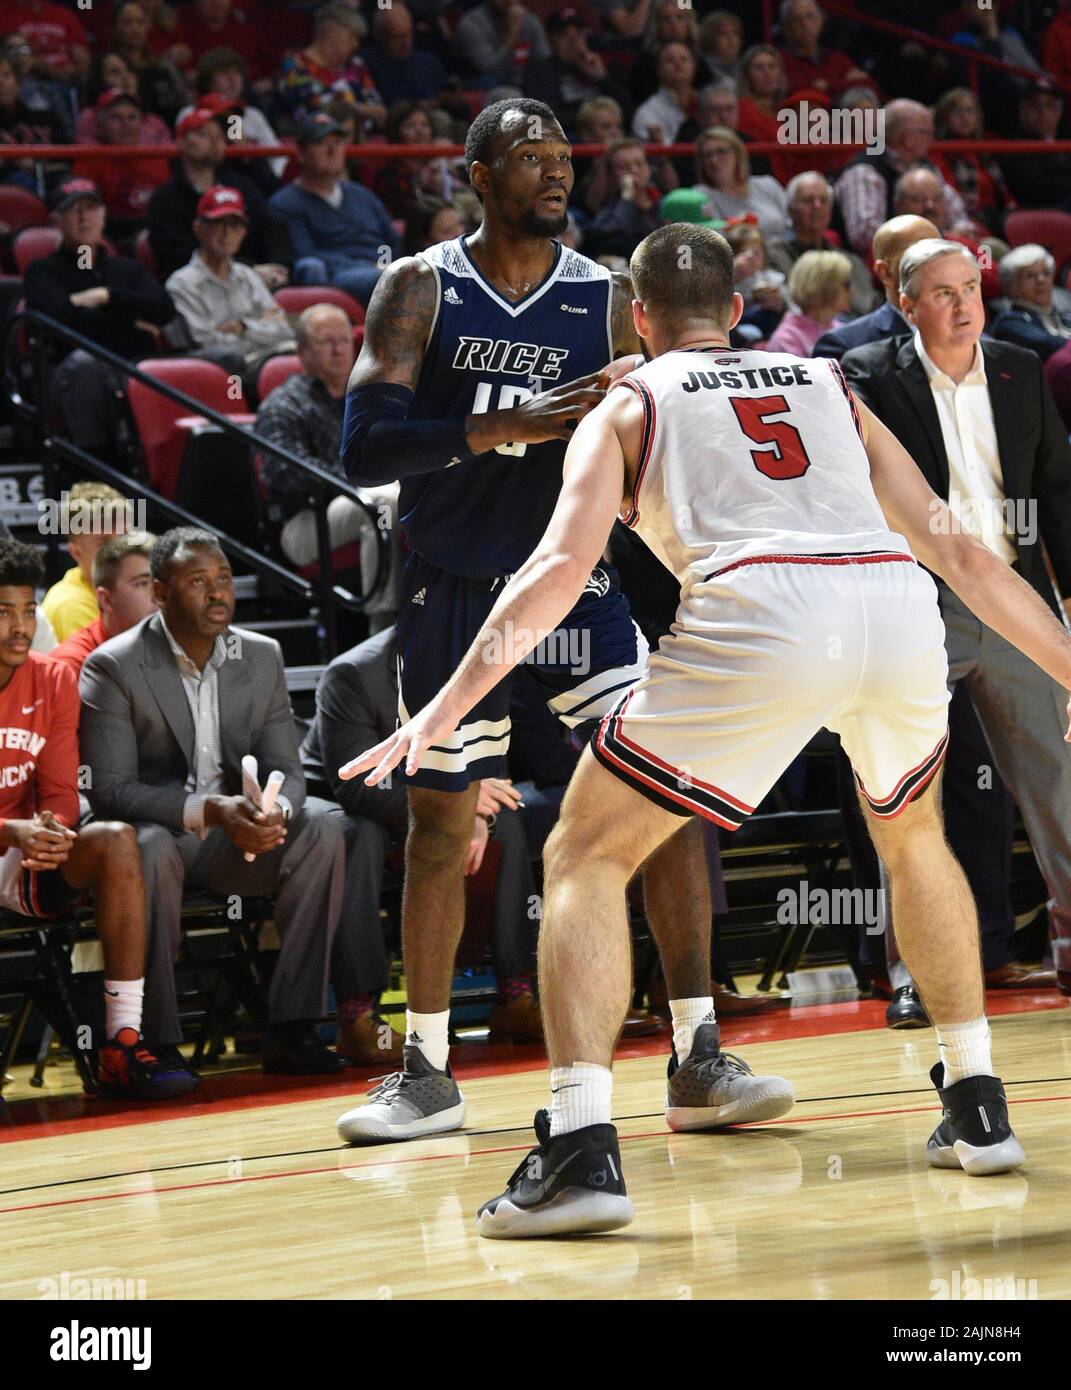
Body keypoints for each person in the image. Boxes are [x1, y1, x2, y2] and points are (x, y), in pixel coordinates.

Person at [347, 223, 1071, 1234]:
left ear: (636, 318)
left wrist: (444, 706)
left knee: (585, 856)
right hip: (889, 603)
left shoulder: (627, 400)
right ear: (737, 310)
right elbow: (967, 554)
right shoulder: (828, 382)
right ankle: (979, 1104)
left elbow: (555, 575)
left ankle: (582, 1146)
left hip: (761, 611)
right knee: (916, 841)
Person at [332, 97, 718, 1145]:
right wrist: (507, 424)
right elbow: (362, 448)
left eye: (564, 157)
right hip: (452, 581)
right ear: (478, 174)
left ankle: (699, 1049)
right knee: (440, 825)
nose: (555, 172)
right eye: (530, 157)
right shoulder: (419, 286)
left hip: (576, 581)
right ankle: (425, 1070)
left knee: (665, 793)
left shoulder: (603, 297)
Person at [842, 239, 1071, 1006]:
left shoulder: (1016, 367)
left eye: (970, 286)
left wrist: (1065, 600)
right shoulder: (867, 374)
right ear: (905, 304)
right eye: (941, 292)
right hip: (913, 605)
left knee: (1057, 782)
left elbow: (1055, 489)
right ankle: (915, 972)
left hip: (1011, 599)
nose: (962, 303)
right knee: (904, 789)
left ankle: (1067, 937)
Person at [79, 528, 348, 1076]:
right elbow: (108, 789)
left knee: (323, 825)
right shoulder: (114, 666)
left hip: (237, 839)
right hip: (164, 838)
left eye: (223, 579)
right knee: (146, 845)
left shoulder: (261, 655)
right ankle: (155, 1039)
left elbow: (288, 770)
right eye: (197, 582)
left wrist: (276, 812)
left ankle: (293, 1028)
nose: (217, 593)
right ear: (159, 592)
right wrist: (210, 810)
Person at [0, 537, 194, 1101]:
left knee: (114, 839)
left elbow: (62, 790)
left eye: (26, 610)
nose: (19, 625)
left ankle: (123, 1040)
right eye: (4, 612)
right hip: (10, 836)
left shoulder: (53, 678)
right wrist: (13, 831)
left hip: (24, 848)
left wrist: (53, 831)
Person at [301, 625, 546, 1055]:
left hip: (435, 801)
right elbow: (357, 787)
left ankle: (517, 994)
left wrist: (471, 803)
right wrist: (458, 802)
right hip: (365, 808)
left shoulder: (483, 662)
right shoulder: (353, 673)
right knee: (358, 837)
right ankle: (357, 1014)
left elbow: (490, 761)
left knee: (505, 817)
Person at [255, 303, 400, 630]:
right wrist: (362, 476)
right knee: (384, 501)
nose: (338, 349)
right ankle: (385, 626)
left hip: (367, 496)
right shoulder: (284, 403)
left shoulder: (371, 397)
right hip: (306, 520)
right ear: (302, 352)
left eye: (344, 340)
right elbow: (286, 473)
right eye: (325, 342)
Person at [24, 179, 174, 455]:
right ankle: (95, 467)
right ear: (56, 220)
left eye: (91, 208)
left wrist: (106, 297)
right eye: (73, 210)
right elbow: (65, 322)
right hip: (68, 374)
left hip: (131, 367)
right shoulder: (42, 271)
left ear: (104, 215)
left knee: (207, 362)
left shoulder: (128, 268)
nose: (83, 218)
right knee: (86, 363)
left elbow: (164, 310)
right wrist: (133, 326)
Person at [165, 185, 296, 397]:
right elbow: (206, 343)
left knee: (297, 352)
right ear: (199, 228)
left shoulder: (248, 276)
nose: (227, 234)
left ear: (244, 232)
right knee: (234, 360)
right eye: (218, 224)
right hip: (217, 375)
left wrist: (244, 327)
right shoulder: (181, 284)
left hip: (260, 361)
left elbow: (283, 329)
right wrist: (261, 327)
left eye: (235, 225)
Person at [148, 105, 292, 286]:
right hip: (195, 289)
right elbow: (176, 256)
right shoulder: (165, 199)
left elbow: (273, 229)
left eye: (219, 135)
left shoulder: (242, 185)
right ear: (181, 142)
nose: (215, 141)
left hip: (257, 282)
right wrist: (248, 271)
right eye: (203, 134)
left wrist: (280, 265)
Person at [269, 112, 398, 307]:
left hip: (378, 268)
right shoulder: (285, 203)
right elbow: (305, 254)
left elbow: (391, 241)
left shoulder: (362, 195)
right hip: (335, 276)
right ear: (301, 153)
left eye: (338, 143)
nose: (332, 150)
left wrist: (383, 263)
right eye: (321, 143)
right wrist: (369, 267)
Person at [834, 99, 968, 258]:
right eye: (926, 132)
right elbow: (865, 238)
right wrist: (929, 238)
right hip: (881, 266)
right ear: (907, 138)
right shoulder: (864, 172)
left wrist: (960, 232)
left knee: (987, 251)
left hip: (931, 256)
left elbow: (958, 216)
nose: (932, 139)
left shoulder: (926, 167)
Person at [813, 212, 937, 359]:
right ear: (885, 272)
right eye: (920, 256)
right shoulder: (844, 346)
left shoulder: (966, 331)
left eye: (940, 253)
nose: (936, 264)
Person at [768, 171, 879, 318]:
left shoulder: (851, 260)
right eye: (808, 200)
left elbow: (872, 305)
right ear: (790, 209)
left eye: (823, 200)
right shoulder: (774, 254)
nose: (817, 206)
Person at [48, 532, 157, 680]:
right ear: (106, 599)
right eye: (143, 583)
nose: (160, 594)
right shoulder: (72, 666)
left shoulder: (176, 646)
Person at [71, 88, 171, 244]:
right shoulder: (89, 161)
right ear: (99, 126)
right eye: (116, 118)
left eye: (132, 117)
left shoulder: (157, 158)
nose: (126, 125)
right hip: (110, 236)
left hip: (153, 233)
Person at [276, 1, 385, 132]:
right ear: (330, 30)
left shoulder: (356, 66)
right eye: (352, 36)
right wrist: (361, 109)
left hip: (364, 143)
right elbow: (316, 105)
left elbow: (378, 109)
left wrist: (352, 107)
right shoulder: (294, 64)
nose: (356, 45)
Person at [524, 9, 631, 138]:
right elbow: (542, 116)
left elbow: (629, 112)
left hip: (612, 139)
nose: (573, 42)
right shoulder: (542, 70)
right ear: (551, 41)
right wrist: (590, 118)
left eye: (578, 34)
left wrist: (602, 78)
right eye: (564, 34)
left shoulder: (600, 65)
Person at [690, 126, 788, 239]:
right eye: (707, 155)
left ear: (738, 154)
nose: (713, 160)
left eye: (721, 152)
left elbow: (791, 223)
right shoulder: (700, 195)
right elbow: (713, 241)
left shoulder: (768, 184)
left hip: (784, 253)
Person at [582, 136, 663, 260]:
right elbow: (607, 234)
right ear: (613, 174)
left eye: (639, 164)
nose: (634, 170)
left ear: (648, 168)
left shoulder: (660, 202)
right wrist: (627, 198)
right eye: (625, 167)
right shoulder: (610, 208)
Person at [998, 78, 1071, 212]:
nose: (1042, 112)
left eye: (1049, 105)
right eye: (1035, 105)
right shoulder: (1012, 148)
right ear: (1022, 110)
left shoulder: (1065, 145)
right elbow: (1032, 190)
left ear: (1059, 111)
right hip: (1038, 213)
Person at [777, 0, 870, 102]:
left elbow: (869, 84)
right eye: (797, 19)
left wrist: (828, 85)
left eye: (810, 17)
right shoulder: (779, 61)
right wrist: (844, 84)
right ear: (786, 28)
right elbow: (799, 92)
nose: (805, 24)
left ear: (821, 21)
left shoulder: (835, 58)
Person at [990, 245, 1071, 362]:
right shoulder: (1009, 323)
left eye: (1046, 273)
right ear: (1011, 285)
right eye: (1030, 276)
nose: (1041, 280)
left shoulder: (1064, 314)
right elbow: (1047, 344)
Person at [765, 248, 852, 355]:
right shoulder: (786, 339)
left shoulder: (841, 329)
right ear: (825, 288)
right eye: (846, 285)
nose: (851, 291)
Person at [364, 2, 448, 106]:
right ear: (379, 35)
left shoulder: (429, 63)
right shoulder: (365, 66)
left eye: (408, 35)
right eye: (397, 37)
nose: (405, 43)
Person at [454, 0, 550, 88]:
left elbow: (545, 63)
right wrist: (512, 34)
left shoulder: (529, 21)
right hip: (490, 87)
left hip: (525, 84)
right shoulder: (471, 24)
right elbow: (492, 71)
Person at [0, 0, 89, 84]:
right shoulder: (6, 10)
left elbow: (80, 52)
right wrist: (52, 70)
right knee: (18, 46)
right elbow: (14, 51)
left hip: (67, 80)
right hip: (28, 80)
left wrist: (76, 70)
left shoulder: (63, 14)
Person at [631, 41, 698, 145]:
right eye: (670, 60)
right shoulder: (647, 112)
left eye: (684, 59)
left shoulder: (707, 102)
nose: (678, 64)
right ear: (658, 70)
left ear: (694, 66)